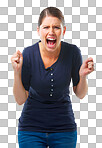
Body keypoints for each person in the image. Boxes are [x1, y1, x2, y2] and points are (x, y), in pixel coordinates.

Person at [11, 7, 94, 148]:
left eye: (56, 27)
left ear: (63, 31)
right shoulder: (29, 53)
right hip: (31, 129)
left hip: (64, 128)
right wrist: (16, 72)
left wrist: (82, 76)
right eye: (46, 27)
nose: (51, 32)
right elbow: (20, 100)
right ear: (39, 31)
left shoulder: (73, 52)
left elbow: (80, 94)